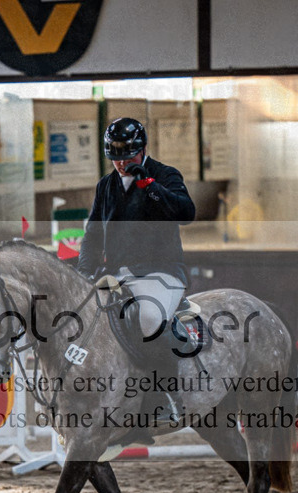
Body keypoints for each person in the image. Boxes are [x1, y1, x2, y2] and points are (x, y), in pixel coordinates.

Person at [76, 117, 196, 423]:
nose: (120, 164)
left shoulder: (165, 175)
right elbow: (92, 235)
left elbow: (186, 213)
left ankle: (167, 395)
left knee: (149, 317)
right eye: (115, 158)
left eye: (127, 158)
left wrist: (151, 187)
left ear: (142, 151)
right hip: (118, 273)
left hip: (162, 272)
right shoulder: (106, 185)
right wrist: (85, 273)